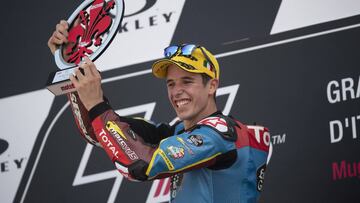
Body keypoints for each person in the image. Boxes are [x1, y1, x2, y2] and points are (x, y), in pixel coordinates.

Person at [48, 20, 270, 203]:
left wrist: (97, 104)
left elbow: (140, 166)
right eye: (171, 84)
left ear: (212, 85)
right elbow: (98, 131)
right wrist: (70, 64)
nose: (177, 91)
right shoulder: (176, 132)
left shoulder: (220, 134)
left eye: (187, 81)